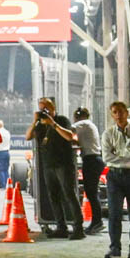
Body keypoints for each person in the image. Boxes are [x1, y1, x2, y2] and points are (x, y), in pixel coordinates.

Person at [26, 97, 83, 240]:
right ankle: (61, 227)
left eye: (46, 108)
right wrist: (35, 121)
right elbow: (28, 137)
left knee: (69, 195)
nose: (43, 111)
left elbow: (69, 136)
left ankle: (78, 227)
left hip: (63, 164)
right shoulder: (40, 125)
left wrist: (53, 124)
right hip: (48, 164)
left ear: (52, 108)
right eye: (41, 108)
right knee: (54, 197)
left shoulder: (62, 120)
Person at [102, 100, 130, 258]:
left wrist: (118, 153)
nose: (118, 115)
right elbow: (107, 156)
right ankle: (115, 248)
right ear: (112, 115)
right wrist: (129, 151)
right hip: (115, 176)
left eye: (121, 111)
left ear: (127, 113)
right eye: (115, 112)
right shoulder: (108, 134)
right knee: (114, 213)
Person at [73, 106, 104, 235]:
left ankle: (97, 222)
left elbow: (68, 130)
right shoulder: (89, 125)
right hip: (94, 159)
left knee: (91, 193)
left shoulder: (83, 124)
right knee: (91, 193)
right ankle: (97, 221)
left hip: (91, 160)